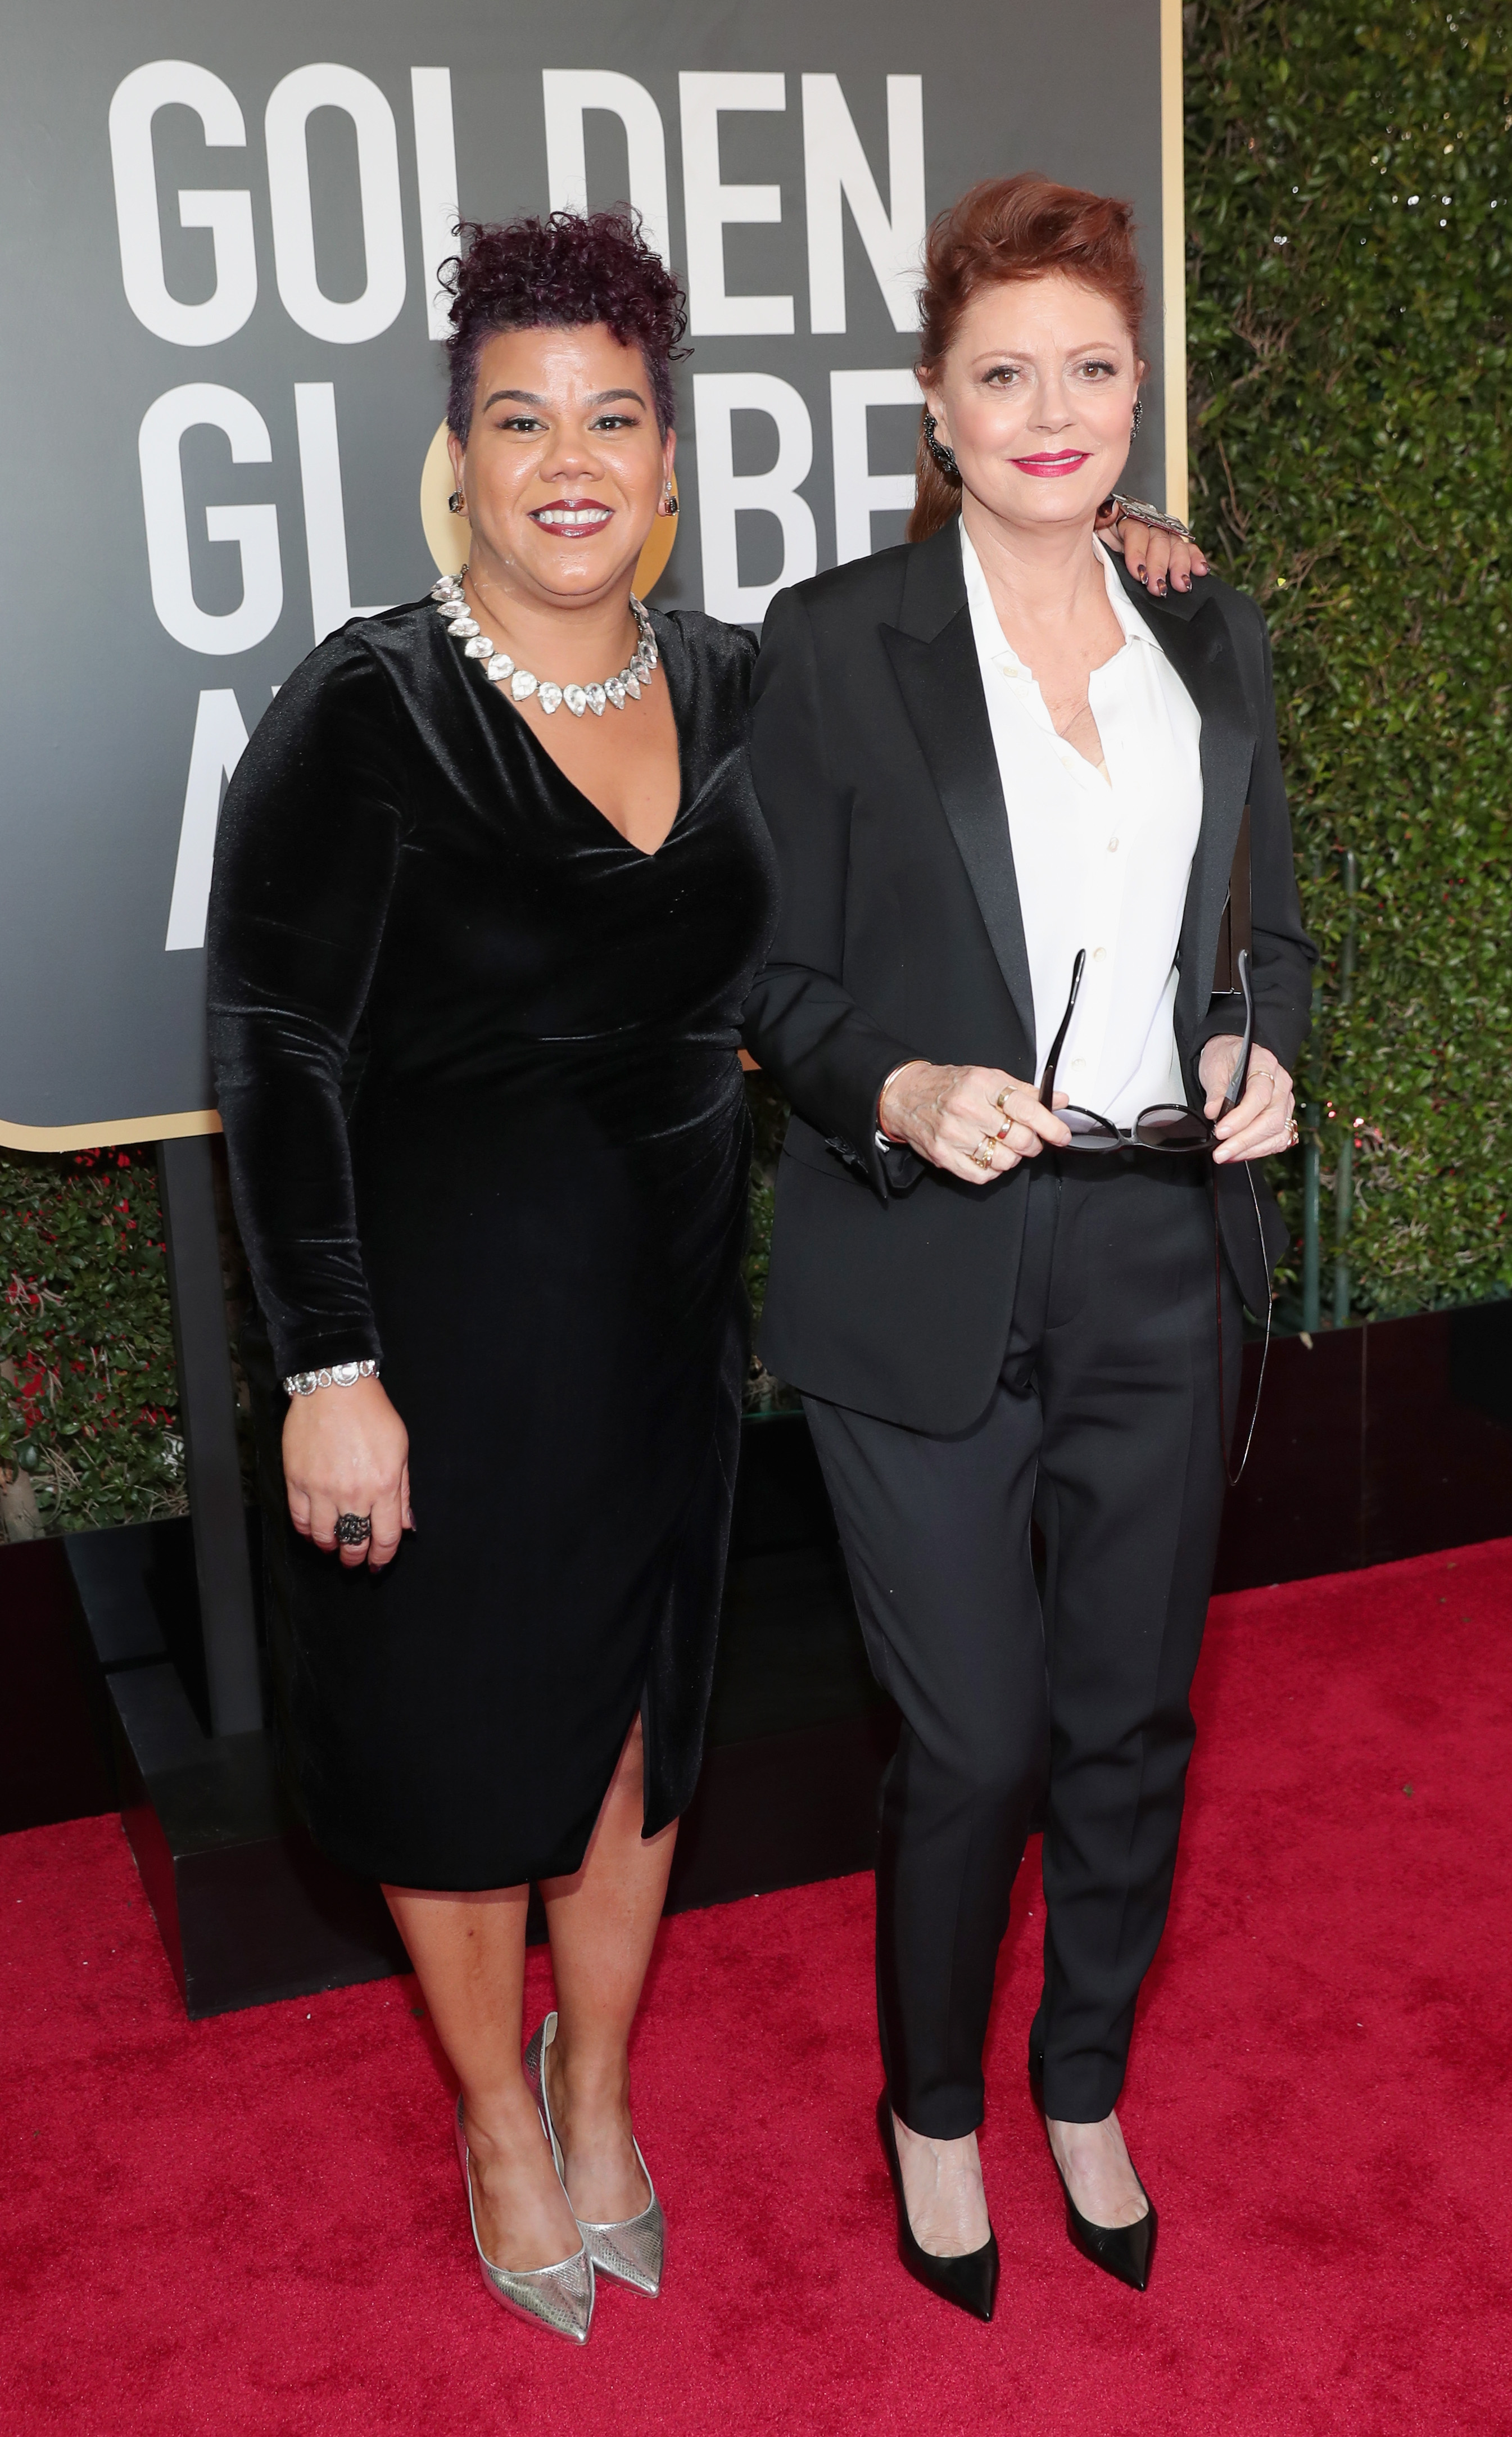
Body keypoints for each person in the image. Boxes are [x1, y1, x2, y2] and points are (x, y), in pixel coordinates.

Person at [743, 174, 1314, 2314]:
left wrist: (1260, 1042)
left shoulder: (1206, 626)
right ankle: (929, 2108)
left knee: (1129, 1717)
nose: (1050, 409)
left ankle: (1082, 2078)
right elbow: (766, 982)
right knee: (972, 1735)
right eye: (1004, 375)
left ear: (1133, 386)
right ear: (934, 408)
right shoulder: (829, 647)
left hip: (1161, 1254)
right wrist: (889, 1085)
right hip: (918, 1264)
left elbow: (1268, 931)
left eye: (1089, 368)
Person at [207, 210, 779, 2344]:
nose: (569, 458)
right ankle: (496, 2121)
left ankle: (598, 2080)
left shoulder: (733, 677)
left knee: (636, 1729)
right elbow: (274, 1043)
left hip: (667, 1336)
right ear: (459, 454)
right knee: (458, 1757)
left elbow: (952, 687)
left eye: (611, 418)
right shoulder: (367, 707)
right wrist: (326, 1360)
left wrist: (1135, 545)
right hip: (440, 1339)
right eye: (519, 417)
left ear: (666, 451)